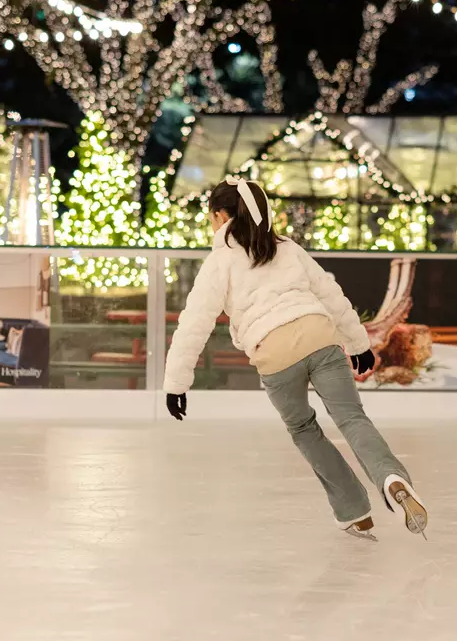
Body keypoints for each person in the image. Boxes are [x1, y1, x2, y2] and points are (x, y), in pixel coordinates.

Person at [163, 177, 428, 539]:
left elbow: (194, 324)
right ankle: (392, 478)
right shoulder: (287, 248)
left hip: (274, 353)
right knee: (351, 418)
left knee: (304, 429)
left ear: (222, 216)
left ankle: (355, 511)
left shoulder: (219, 263)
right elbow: (332, 296)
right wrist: (358, 344)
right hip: (320, 336)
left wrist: (176, 384)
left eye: (211, 215)